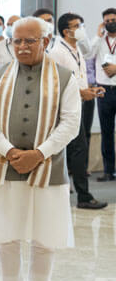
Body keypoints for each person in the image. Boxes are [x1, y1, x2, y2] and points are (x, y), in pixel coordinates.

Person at [0, 17, 80, 281]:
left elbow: (71, 122)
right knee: (8, 237)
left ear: (45, 41)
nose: (21, 47)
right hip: (4, 166)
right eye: (16, 41)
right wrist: (9, 151)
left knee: (44, 238)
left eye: (29, 41)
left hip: (48, 168)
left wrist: (39, 153)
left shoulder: (65, 77)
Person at [49, 13, 106, 209]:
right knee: (76, 150)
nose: (81, 28)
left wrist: (89, 89)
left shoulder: (76, 48)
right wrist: (82, 92)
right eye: (77, 26)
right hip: (65, 109)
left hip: (79, 103)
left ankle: (81, 194)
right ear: (66, 31)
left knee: (78, 150)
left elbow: (77, 76)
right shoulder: (57, 52)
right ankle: (83, 196)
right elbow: (56, 82)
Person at [88, 8, 116, 181]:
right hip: (104, 91)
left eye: (113, 19)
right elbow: (88, 54)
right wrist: (98, 35)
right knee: (106, 132)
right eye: (107, 21)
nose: (111, 22)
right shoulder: (99, 41)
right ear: (103, 23)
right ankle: (108, 170)